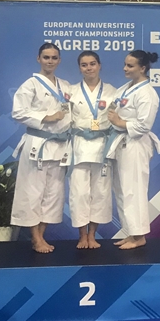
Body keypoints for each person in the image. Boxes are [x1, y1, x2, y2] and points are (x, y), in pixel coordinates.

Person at [10, 43, 72, 253]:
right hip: (37, 145)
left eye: (54, 58)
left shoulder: (65, 86)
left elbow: (72, 111)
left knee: (53, 193)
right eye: (46, 57)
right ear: (39, 59)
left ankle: (41, 235)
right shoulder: (30, 85)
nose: (50, 61)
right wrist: (46, 117)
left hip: (59, 146)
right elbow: (18, 112)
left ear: (59, 60)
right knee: (32, 191)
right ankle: (35, 238)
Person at [106, 50, 160, 250]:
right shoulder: (126, 88)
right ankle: (131, 232)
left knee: (134, 189)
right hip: (121, 142)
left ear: (143, 68)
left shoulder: (147, 93)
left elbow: (143, 125)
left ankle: (139, 236)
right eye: (125, 64)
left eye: (130, 66)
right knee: (122, 189)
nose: (125, 68)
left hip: (136, 144)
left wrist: (119, 121)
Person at [68, 51, 116, 249]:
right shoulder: (71, 91)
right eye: (84, 65)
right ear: (79, 68)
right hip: (79, 145)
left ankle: (92, 235)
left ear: (99, 65)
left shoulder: (112, 91)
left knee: (100, 192)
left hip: (102, 146)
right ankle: (82, 236)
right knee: (79, 192)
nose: (89, 68)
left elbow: (117, 118)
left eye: (92, 63)